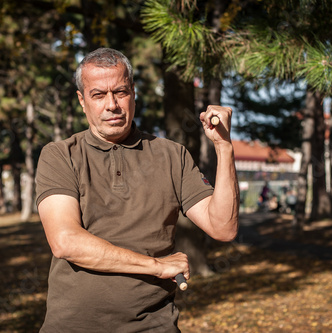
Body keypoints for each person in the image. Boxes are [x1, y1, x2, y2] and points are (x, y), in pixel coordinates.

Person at [35, 48, 239, 332]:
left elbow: (223, 227)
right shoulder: (60, 155)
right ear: (82, 101)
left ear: (133, 93)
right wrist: (156, 266)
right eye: (98, 95)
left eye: (120, 92)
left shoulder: (172, 155)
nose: (112, 105)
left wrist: (224, 146)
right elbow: (66, 241)